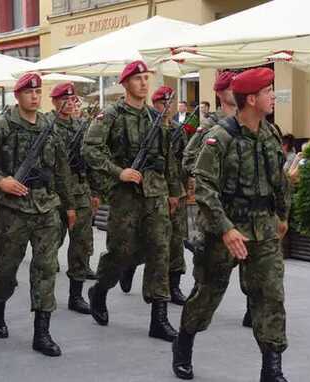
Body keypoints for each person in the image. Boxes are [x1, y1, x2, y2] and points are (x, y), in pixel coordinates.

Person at [172, 67, 291, 382]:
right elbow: (205, 188)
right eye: (268, 92)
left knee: (270, 295)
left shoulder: (271, 132)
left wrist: (283, 216)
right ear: (251, 99)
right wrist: (225, 228)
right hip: (223, 230)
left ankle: (272, 368)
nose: (273, 96)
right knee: (208, 293)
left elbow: (279, 179)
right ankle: (183, 344)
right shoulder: (219, 137)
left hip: (263, 228)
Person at [0, 73, 75, 357]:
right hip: (13, 209)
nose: (35, 97)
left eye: (38, 92)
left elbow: (62, 169)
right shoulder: (3, 125)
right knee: (6, 268)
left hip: (46, 206)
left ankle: (42, 331)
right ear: (18, 96)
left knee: (46, 268)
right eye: (29, 92)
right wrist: (1, 181)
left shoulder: (49, 126)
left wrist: (70, 205)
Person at [82, 60, 182, 342]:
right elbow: (90, 150)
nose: (143, 83)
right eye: (137, 79)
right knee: (121, 252)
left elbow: (168, 158)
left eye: (145, 78)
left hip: (156, 193)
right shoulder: (110, 116)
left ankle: (159, 318)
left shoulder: (155, 117)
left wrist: (174, 192)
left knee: (160, 251)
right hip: (126, 195)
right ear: (125, 83)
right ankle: (99, 290)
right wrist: (119, 172)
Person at [47, 82, 98, 315]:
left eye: (72, 100)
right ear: (55, 102)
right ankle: (44, 295)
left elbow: (91, 159)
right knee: (50, 242)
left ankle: (76, 295)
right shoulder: (47, 125)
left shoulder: (81, 125)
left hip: (79, 190)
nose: (69, 104)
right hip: (54, 192)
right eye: (63, 100)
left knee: (81, 243)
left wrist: (95, 191)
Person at [153, 86, 188, 305]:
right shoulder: (149, 130)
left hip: (177, 192)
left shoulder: (178, 130)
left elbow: (184, 162)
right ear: (154, 105)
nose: (166, 108)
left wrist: (185, 187)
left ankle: (173, 286)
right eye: (161, 104)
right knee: (152, 242)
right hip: (155, 192)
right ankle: (127, 267)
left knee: (176, 239)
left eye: (170, 104)